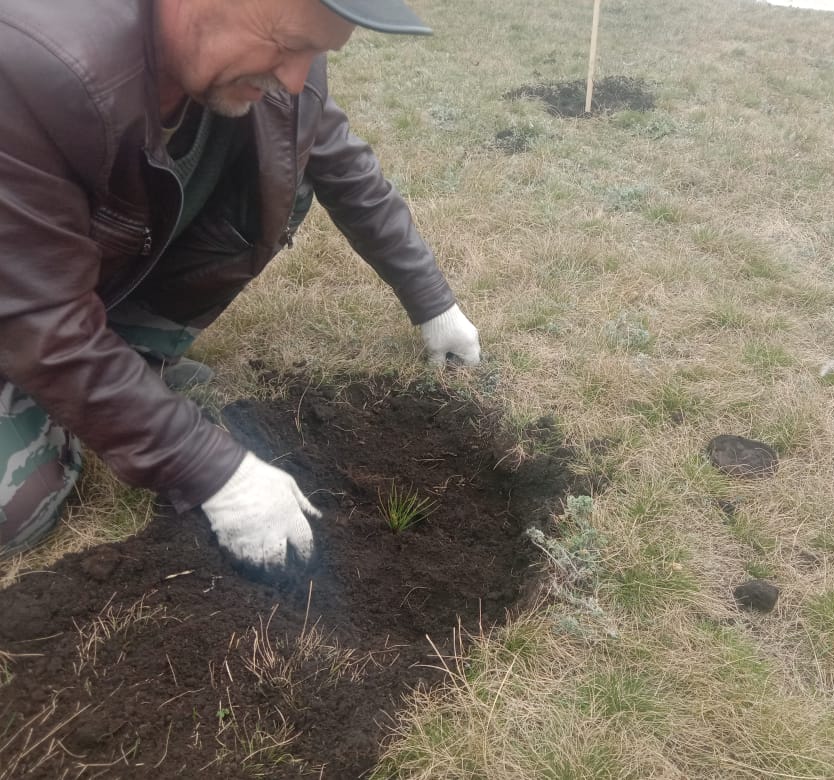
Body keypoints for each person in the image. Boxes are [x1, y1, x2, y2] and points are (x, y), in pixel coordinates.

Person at [0, 0, 481, 574]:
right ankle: (67, 396)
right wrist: (210, 469)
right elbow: (35, 315)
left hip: (80, 284)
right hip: (23, 305)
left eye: (317, 53)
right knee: (19, 509)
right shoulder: (32, 63)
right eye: (289, 43)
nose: (296, 77)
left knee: (283, 166)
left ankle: (118, 366)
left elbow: (342, 164)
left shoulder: (267, 64)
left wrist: (433, 302)